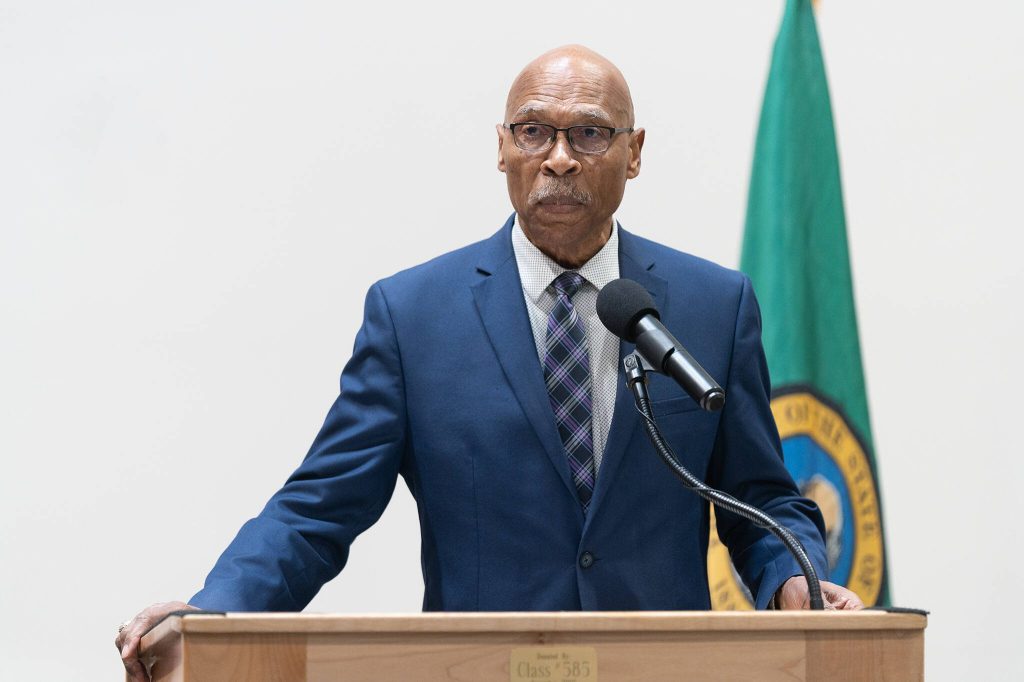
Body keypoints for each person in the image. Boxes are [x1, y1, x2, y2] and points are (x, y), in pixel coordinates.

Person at [116, 44, 862, 680]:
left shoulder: (712, 307)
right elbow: (318, 509)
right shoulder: (413, 317)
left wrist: (792, 580)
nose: (559, 158)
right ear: (502, 148)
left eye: (590, 134)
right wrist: (214, 613)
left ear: (634, 153)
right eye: (534, 132)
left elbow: (761, 497)